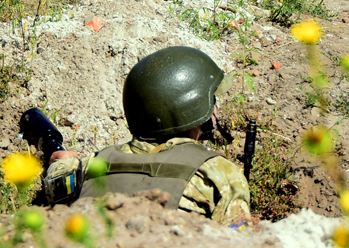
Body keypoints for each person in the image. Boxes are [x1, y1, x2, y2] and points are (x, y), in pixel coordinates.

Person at [44, 46, 251, 225]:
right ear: (194, 109)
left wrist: (61, 159)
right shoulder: (219, 174)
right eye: (212, 100)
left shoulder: (92, 165)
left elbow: (56, 179)